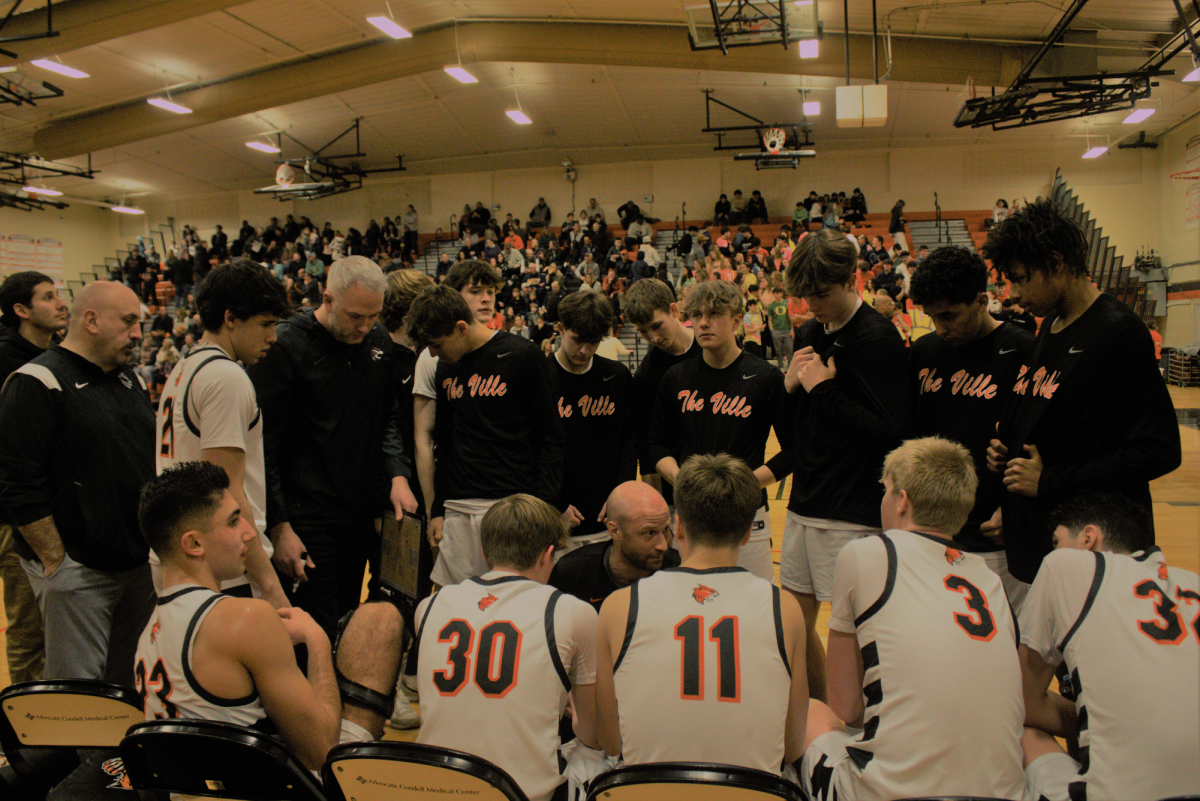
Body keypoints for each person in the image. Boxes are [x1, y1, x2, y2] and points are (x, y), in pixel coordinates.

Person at [800, 436, 1026, 801]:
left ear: (902, 500)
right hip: (999, 792)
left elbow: (847, 706)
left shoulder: (867, 554)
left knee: (810, 711)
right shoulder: (989, 578)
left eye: (886, 490)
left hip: (887, 792)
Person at [136, 462, 403, 768]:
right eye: (235, 521)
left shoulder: (148, 633)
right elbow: (321, 753)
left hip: (186, 787)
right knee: (380, 620)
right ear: (194, 543)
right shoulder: (245, 617)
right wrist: (314, 636)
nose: (250, 533)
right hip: (251, 790)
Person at [985, 198, 1181, 586]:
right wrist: (1006, 448)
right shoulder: (1050, 325)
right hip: (1046, 540)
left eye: (1022, 278)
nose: (1015, 294)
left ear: (1057, 263)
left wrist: (1050, 482)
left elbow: (1158, 450)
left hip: (1097, 550)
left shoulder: (1117, 332)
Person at [595, 454, 808, 773]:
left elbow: (610, 742)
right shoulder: (785, 608)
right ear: (749, 532)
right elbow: (792, 746)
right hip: (750, 794)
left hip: (647, 792)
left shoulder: (618, 606)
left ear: (677, 527)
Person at [247, 256, 418, 640]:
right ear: (327, 298)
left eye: (373, 316)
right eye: (356, 315)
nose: (365, 326)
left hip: (357, 513)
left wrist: (396, 475)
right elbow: (263, 447)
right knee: (313, 632)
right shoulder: (286, 344)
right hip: (307, 518)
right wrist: (279, 526)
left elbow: (386, 418)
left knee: (347, 621)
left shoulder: (377, 342)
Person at [0, 281, 155, 686]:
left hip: (136, 563)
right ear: (91, 320)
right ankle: (72, 752)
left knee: (127, 682)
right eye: (128, 322)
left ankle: (114, 754)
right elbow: (19, 483)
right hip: (79, 570)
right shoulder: (36, 381)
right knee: (78, 696)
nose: (137, 333)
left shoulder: (130, 380)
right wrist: (58, 563)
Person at [780, 228, 912, 702]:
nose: (812, 304)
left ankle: (859, 718)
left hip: (850, 509)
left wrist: (824, 390)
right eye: (805, 294)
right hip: (804, 501)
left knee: (854, 630)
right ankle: (818, 713)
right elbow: (798, 423)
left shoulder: (877, 339)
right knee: (795, 626)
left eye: (822, 293)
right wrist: (790, 389)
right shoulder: (810, 332)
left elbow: (894, 434)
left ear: (851, 279)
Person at [415, 494, 600, 801]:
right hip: (520, 795)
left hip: (435, 786)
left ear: (485, 552)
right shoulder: (571, 611)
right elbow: (593, 735)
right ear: (548, 554)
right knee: (597, 757)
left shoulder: (428, 606)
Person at [1019, 493, 1200, 801]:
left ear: (1089, 538)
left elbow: (1022, 702)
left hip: (1119, 794)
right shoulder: (1193, 581)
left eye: (1056, 540)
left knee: (1020, 732)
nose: (1053, 550)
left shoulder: (1066, 565)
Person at [406, 283, 565, 587]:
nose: (432, 353)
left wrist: (545, 507)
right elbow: (446, 444)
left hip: (513, 505)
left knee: (518, 607)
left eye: (437, 344)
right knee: (448, 603)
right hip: (459, 508)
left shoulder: (523, 356)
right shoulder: (445, 368)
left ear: (461, 327)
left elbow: (551, 437)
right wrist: (438, 509)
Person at [155, 259, 289, 608]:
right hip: (221, 567)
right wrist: (270, 584)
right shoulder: (225, 377)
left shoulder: (184, 366)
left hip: (182, 556)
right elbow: (226, 489)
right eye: (265, 324)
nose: (272, 337)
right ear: (230, 318)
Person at [908, 246, 1035, 608]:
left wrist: (1014, 514)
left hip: (994, 532)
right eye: (931, 317)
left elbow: (1039, 447)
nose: (940, 328)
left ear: (982, 300)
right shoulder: (923, 351)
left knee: (1012, 646)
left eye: (949, 316)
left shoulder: (1023, 350)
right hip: (931, 529)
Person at [645, 280, 793, 581]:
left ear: (737, 320)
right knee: (692, 604)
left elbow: (794, 450)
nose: (702, 323)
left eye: (713, 314)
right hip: (691, 514)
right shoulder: (676, 377)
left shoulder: (766, 377)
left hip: (746, 514)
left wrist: (747, 483)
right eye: (696, 315)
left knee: (755, 611)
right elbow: (656, 444)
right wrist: (681, 479)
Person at [0, 271, 68, 684]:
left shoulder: (53, 354)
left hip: (48, 508)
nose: (61, 303)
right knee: (28, 629)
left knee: (49, 626)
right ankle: (28, 735)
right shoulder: (8, 362)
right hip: (15, 517)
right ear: (21, 311)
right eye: (48, 297)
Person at [551, 291, 638, 550]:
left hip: (608, 519)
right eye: (577, 340)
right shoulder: (539, 377)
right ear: (560, 329)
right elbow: (530, 452)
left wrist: (620, 497)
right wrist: (554, 503)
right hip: (557, 523)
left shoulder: (617, 376)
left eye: (594, 342)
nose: (585, 350)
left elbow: (629, 441)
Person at [625, 279, 701, 504]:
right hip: (675, 492)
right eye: (643, 332)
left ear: (674, 310)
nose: (654, 338)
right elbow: (647, 446)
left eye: (657, 326)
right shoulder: (647, 374)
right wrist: (658, 507)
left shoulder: (710, 347)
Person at [550, 481, 680, 611]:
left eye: (665, 529)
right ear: (614, 531)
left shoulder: (681, 572)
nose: (663, 546)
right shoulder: (571, 574)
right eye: (649, 533)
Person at [762, 285, 792, 369]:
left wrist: (791, 328)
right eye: (777, 293)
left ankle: (790, 367)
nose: (779, 295)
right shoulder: (771, 306)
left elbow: (790, 317)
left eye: (780, 293)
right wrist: (772, 331)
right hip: (776, 330)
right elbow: (770, 319)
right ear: (773, 294)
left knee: (790, 349)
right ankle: (781, 367)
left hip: (787, 329)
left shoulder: (787, 303)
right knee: (778, 351)